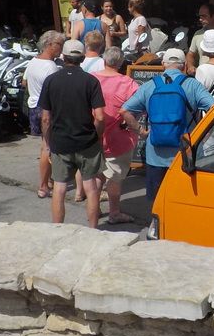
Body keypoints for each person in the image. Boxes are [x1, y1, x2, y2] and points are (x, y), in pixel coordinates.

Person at [120, 48, 214, 210]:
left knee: (158, 202)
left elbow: (124, 111)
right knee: (185, 201)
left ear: (163, 64)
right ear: (184, 66)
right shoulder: (193, 85)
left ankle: (157, 224)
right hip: (185, 153)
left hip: (155, 154)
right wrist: (204, 135)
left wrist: (141, 132)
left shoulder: (150, 85)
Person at [38, 39, 106, 226]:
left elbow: (45, 119)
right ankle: (93, 229)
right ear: (82, 58)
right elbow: (100, 117)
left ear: (63, 57)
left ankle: (58, 229)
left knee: (59, 188)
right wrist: (97, 136)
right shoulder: (91, 81)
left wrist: (47, 142)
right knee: (91, 188)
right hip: (87, 142)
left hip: (61, 142)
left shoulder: (51, 80)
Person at [93, 47, 139, 224]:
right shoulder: (128, 83)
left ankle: (94, 208)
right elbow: (136, 110)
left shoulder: (91, 79)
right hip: (119, 137)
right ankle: (114, 212)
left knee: (97, 174)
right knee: (114, 177)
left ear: (104, 60)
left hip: (92, 135)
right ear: (121, 63)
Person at [24, 31, 65, 199]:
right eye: (59, 44)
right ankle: (43, 186)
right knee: (48, 148)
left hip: (34, 106)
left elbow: (24, 82)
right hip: (47, 110)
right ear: (49, 45)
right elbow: (56, 92)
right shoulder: (51, 67)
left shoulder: (32, 62)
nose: (61, 48)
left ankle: (47, 181)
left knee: (45, 145)